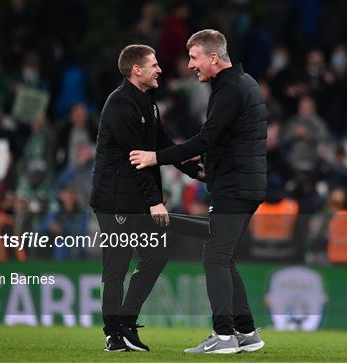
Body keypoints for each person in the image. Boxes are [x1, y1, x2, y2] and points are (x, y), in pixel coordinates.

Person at [130, 29, 267, 354]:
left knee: (215, 257)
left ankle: (223, 336)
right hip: (241, 182)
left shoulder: (230, 88)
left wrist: (157, 158)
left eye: (194, 57)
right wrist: (203, 165)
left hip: (235, 186)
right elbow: (224, 140)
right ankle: (246, 332)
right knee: (225, 257)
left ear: (213, 58)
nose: (190, 65)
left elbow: (207, 138)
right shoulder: (240, 83)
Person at [89, 44, 203, 352]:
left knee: (157, 255)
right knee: (116, 268)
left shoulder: (147, 102)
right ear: (136, 69)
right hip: (115, 201)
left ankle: (126, 323)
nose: (160, 69)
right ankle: (114, 335)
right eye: (154, 64)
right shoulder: (120, 105)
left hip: (137, 198)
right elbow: (135, 160)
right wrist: (155, 201)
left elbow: (160, 144)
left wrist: (193, 169)